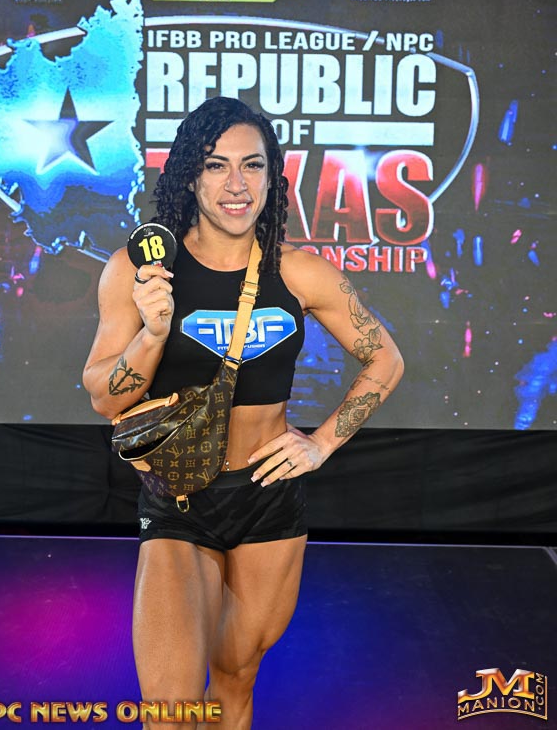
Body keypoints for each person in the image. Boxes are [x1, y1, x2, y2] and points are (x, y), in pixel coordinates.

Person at [83, 96, 403, 728]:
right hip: (180, 500)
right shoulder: (138, 273)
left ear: (271, 176)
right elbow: (103, 396)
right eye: (216, 165)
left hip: (268, 501)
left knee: (235, 676)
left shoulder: (300, 273)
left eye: (252, 165)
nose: (236, 184)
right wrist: (152, 333)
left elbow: (384, 357)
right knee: (170, 710)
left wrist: (322, 442)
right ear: (189, 176)